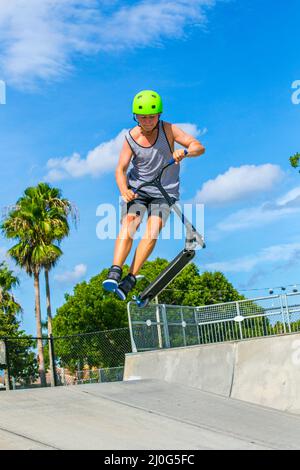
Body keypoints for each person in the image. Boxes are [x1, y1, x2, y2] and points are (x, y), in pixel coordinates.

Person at [102, 90, 205, 300]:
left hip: (164, 191)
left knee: (153, 228)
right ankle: (115, 271)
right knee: (130, 223)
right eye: (143, 117)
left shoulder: (169, 130)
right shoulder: (131, 137)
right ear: (136, 117)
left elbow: (198, 147)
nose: (147, 121)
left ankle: (130, 278)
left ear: (158, 115)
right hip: (139, 189)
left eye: (151, 116)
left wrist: (184, 152)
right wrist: (124, 191)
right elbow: (120, 169)